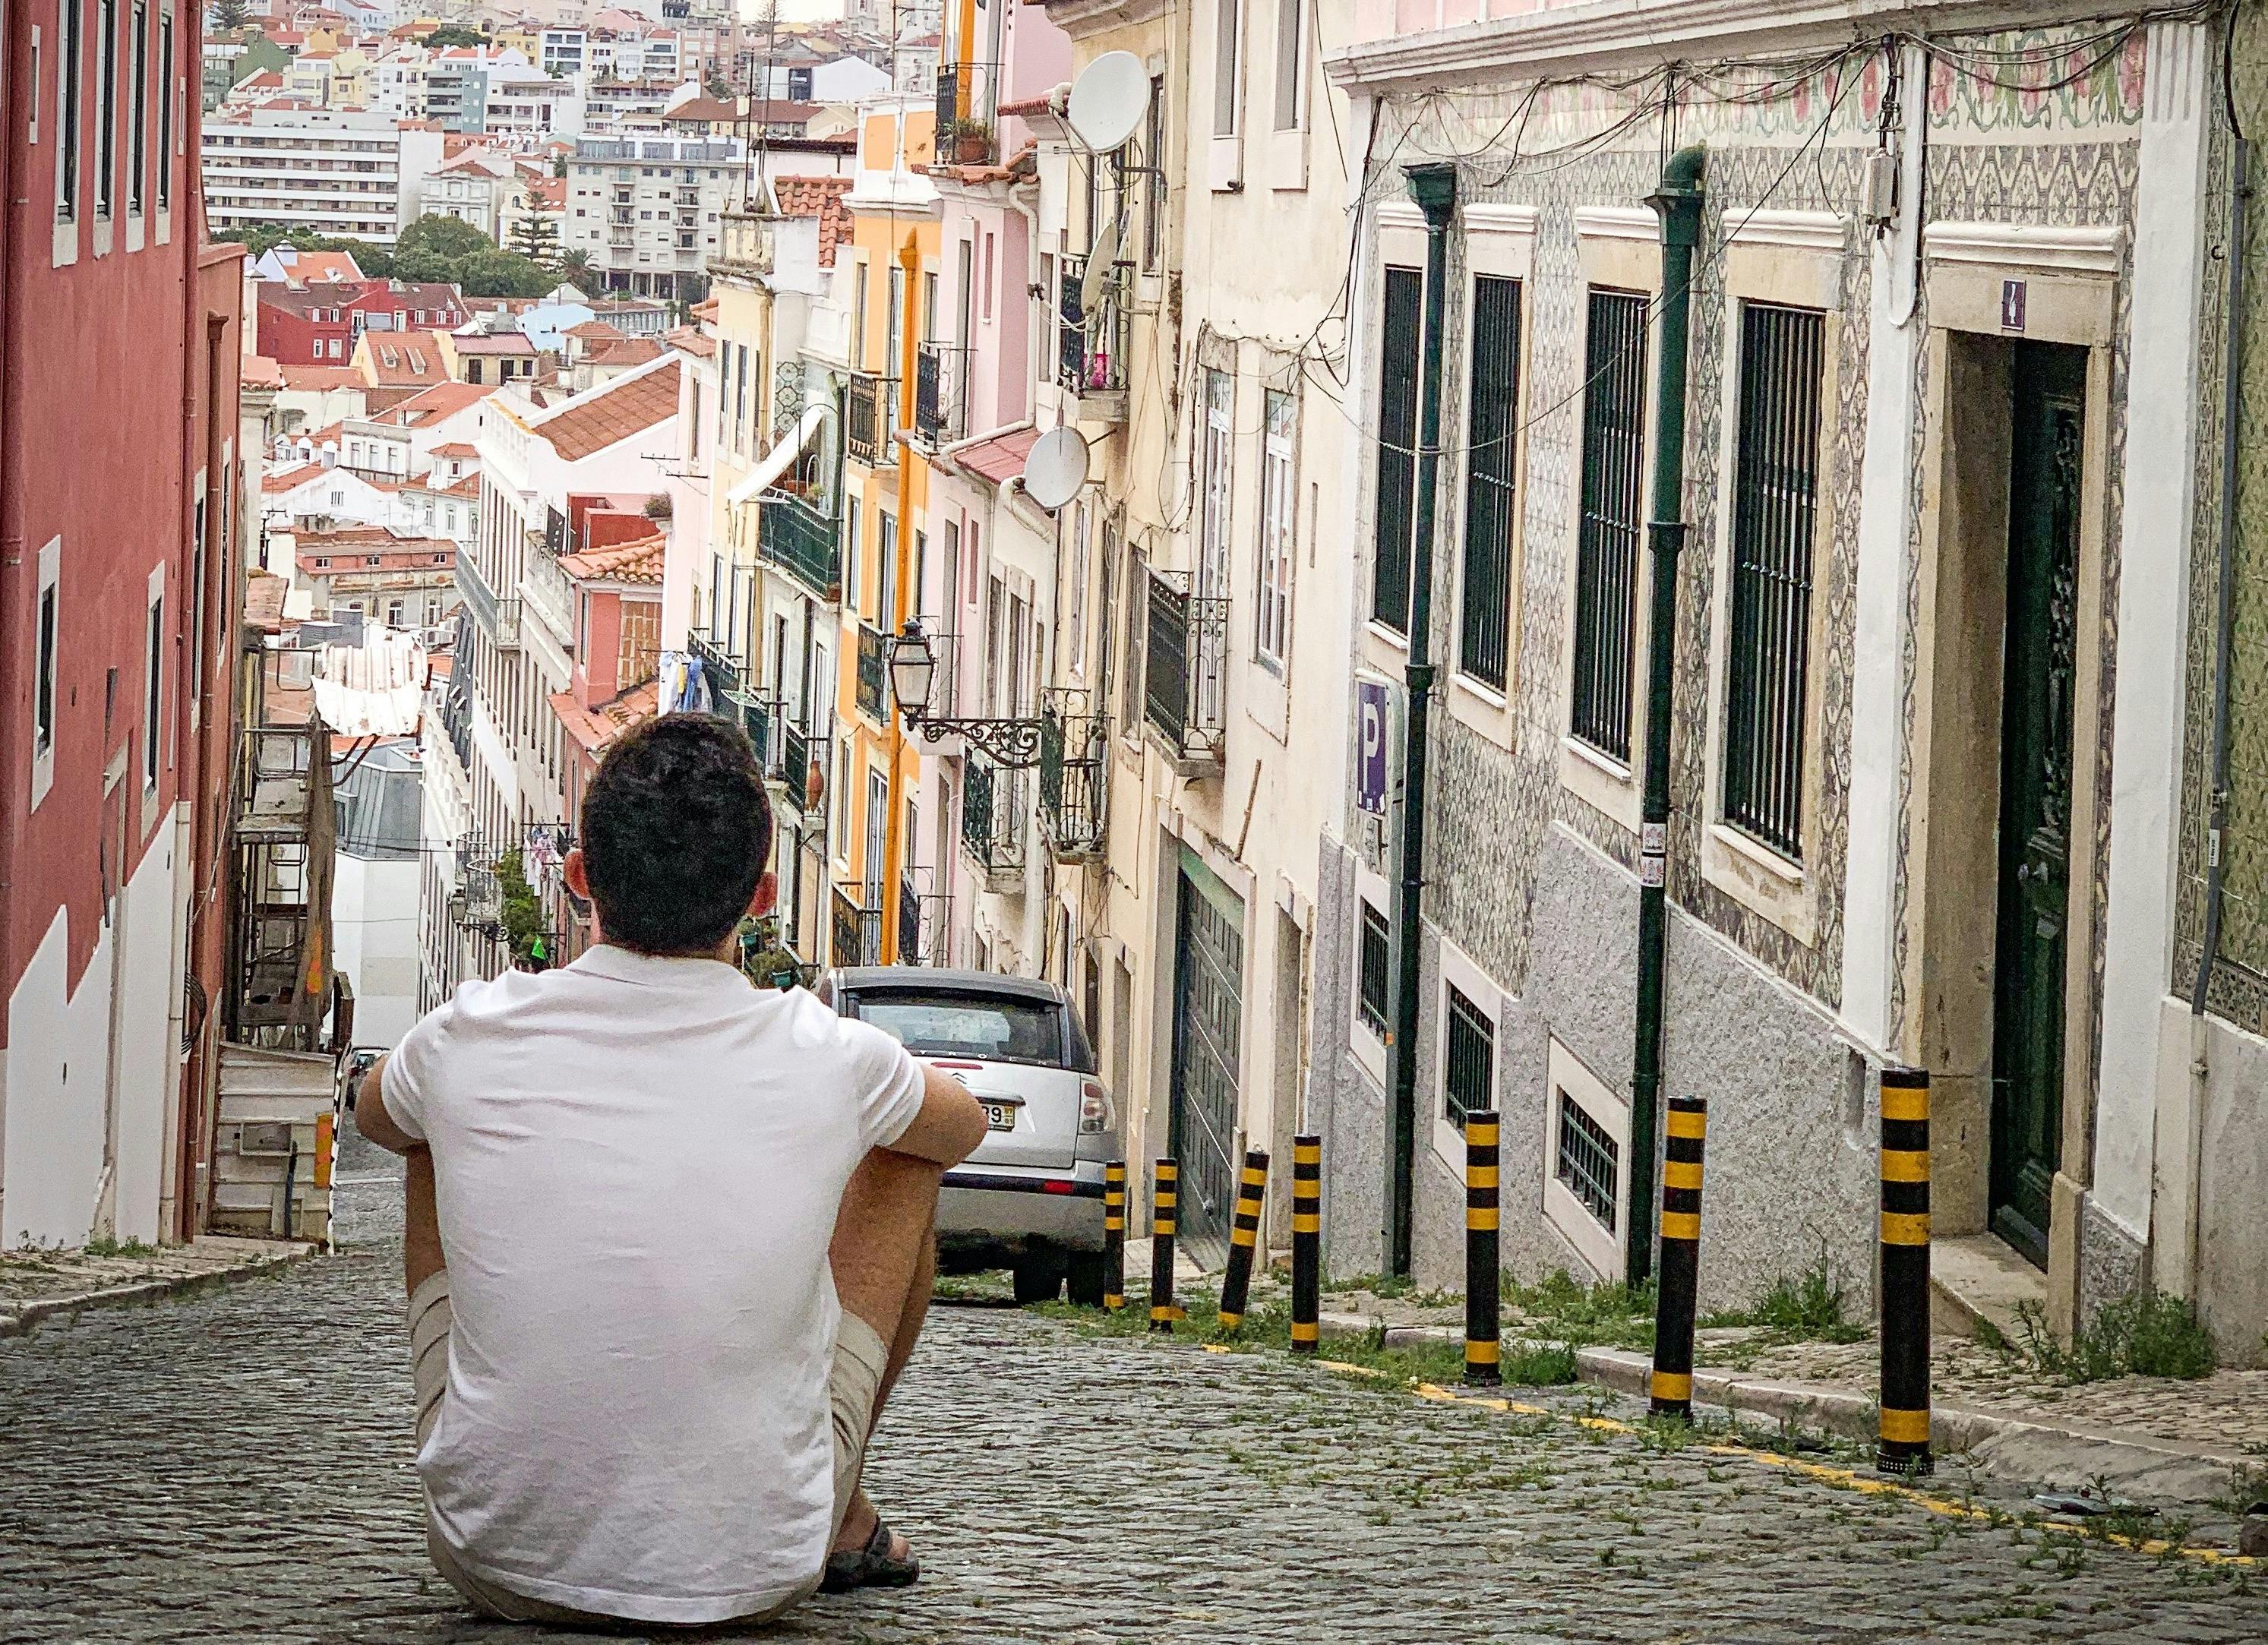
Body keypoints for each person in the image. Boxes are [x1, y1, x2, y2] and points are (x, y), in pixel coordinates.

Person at [355, 713, 988, 1628]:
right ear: (762, 895)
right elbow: (958, 1128)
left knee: (423, 1130)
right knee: (909, 1157)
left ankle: (517, 1465)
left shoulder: (465, 1032)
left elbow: (378, 1114)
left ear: (580, 879)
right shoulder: (830, 1053)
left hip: (492, 1559)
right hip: (758, 1575)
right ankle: (840, 1512)